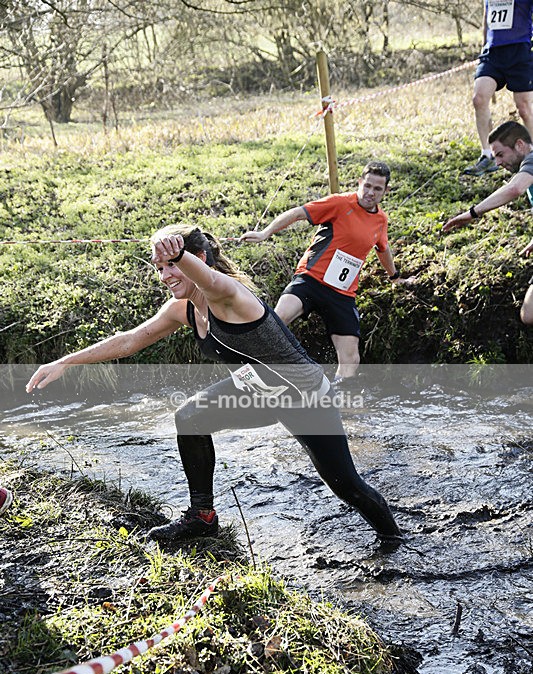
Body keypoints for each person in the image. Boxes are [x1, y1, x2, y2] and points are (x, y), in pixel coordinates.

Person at [26, 224, 402, 546]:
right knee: (188, 416)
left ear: (197, 260)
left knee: (346, 485)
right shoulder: (182, 306)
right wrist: (65, 361)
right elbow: (130, 339)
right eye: (159, 268)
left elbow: (207, 279)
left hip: (305, 398)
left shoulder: (228, 295)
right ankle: (202, 516)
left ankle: (394, 538)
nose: (165, 276)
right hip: (259, 390)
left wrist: (178, 256)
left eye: (171, 266)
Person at [240, 162, 414, 385]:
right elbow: (297, 213)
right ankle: (248, 376)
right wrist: (265, 233)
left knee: (351, 358)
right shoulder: (340, 203)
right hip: (310, 280)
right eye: (367, 186)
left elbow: (383, 248)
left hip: (342, 293)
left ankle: (334, 401)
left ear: (386, 191)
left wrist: (395, 277)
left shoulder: (381, 220)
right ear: (360, 182)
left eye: (377, 189)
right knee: (278, 320)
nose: (371, 193)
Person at [443, 120, 533, 324]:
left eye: (500, 155)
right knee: (529, 315)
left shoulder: (531, 160)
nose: (498, 163)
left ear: (519, 145)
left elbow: (514, 189)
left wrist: (472, 213)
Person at [464, 0, 533, 176]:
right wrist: (483, 47)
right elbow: (487, 20)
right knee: (478, 99)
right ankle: (487, 155)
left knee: (524, 108)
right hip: (492, 53)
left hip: (520, 50)